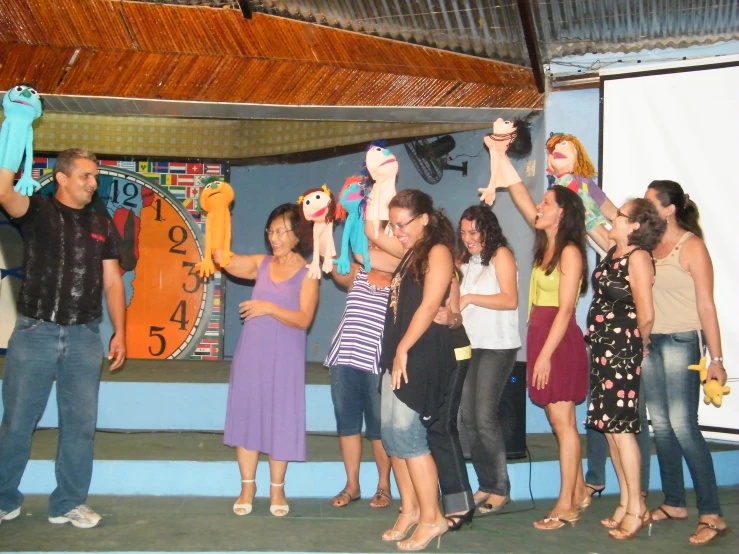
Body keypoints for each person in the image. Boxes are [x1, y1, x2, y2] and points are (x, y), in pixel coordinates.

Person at [0, 149, 127, 529]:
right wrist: (12, 136)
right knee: (18, 422)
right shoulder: (37, 211)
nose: (93, 183)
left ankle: (68, 503)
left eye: (94, 176)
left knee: (79, 426)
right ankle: (4, 499)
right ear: (62, 178)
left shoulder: (100, 221)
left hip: (85, 336)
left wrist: (121, 331)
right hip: (35, 332)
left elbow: (112, 279)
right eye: (86, 175)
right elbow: (4, 192)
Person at [641, 180, 730, 545]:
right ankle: (675, 502)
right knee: (661, 426)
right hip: (651, 341)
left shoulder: (691, 246)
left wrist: (717, 358)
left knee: (683, 425)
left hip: (681, 340)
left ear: (669, 208)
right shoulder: (645, 245)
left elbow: (706, 305)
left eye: (651, 203)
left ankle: (711, 512)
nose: (646, 210)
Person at [218, 203, 318, 518]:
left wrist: (268, 308)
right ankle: (248, 485)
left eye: (280, 231)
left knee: (280, 419)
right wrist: (218, 223)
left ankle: (278, 488)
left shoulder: (308, 273)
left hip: (286, 358)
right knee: (248, 415)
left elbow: (303, 319)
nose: (273, 237)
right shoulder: (261, 264)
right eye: (270, 231)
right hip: (252, 354)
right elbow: (228, 261)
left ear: (297, 234)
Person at [378, 189, 455, 551]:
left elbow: (428, 306)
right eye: (393, 225)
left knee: (409, 438)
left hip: (420, 354)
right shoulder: (411, 252)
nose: (397, 231)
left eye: (402, 224)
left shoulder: (438, 252)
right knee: (392, 437)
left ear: (424, 218)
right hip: (400, 353)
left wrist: (404, 348)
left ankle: (432, 517)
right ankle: (410, 509)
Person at [585, 198, 665, 539]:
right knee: (609, 428)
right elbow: (590, 220)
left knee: (621, 429)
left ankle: (636, 508)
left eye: (619, 215)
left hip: (621, 352)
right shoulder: (613, 252)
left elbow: (645, 314)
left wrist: (636, 347)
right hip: (603, 352)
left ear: (635, 225)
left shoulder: (639, 257)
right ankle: (626, 502)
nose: (613, 217)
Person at [524, 187, 590, 530]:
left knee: (564, 423)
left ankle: (566, 506)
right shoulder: (545, 249)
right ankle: (578, 491)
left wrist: (546, 355)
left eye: (546, 203)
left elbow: (566, 309)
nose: (539, 206)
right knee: (557, 421)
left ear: (562, 212)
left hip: (559, 342)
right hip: (542, 337)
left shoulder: (569, 252)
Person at [324, 237, 399, 509]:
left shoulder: (400, 281)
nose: (374, 248)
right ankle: (352, 486)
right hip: (343, 358)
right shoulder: (357, 272)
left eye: (380, 243)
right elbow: (334, 265)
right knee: (348, 425)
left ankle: (383, 486)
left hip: (377, 364)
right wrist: (324, 226)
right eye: (371, 244)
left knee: (378, 429)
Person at [456, 206, 520, 516]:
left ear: (487, 230)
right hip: (470, 345)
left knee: (484, 416)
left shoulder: (501, 255)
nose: (468, 238)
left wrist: (469, 298)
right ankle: (485, 483)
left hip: (498, 346)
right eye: (464, 232)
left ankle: (501, 489)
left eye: (473, 232)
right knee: (468, 419)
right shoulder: (465, 262)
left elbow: (510, 299)